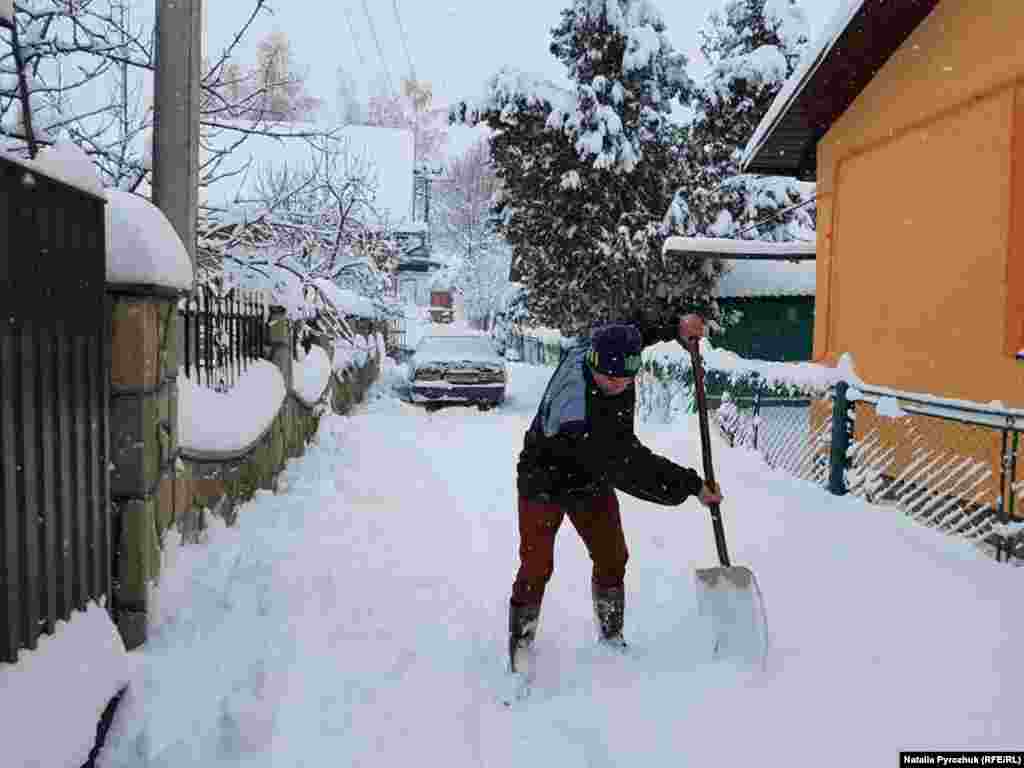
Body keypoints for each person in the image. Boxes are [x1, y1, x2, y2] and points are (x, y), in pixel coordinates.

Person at [508, 312, 723, 674]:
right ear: (592, 363)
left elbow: (635, 329)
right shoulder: (575, 411)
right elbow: (630, 466)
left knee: (612, 555)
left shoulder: (604, 346)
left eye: (625, 378)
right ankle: (521, 643)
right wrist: (691, 486)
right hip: (543, 478)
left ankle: (611, 636)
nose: (617, 385)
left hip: (591, 476)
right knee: (537, 564)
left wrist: (675, 328)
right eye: (608, 379)